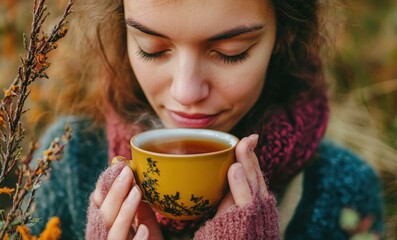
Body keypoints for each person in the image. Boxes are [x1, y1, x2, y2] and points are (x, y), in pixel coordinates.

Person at [31, 0, 385, 239]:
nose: (186, 93)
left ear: (284, 36)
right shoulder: (67, 160)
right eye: (151, 48)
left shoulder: (344, 188)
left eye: (231, 53)